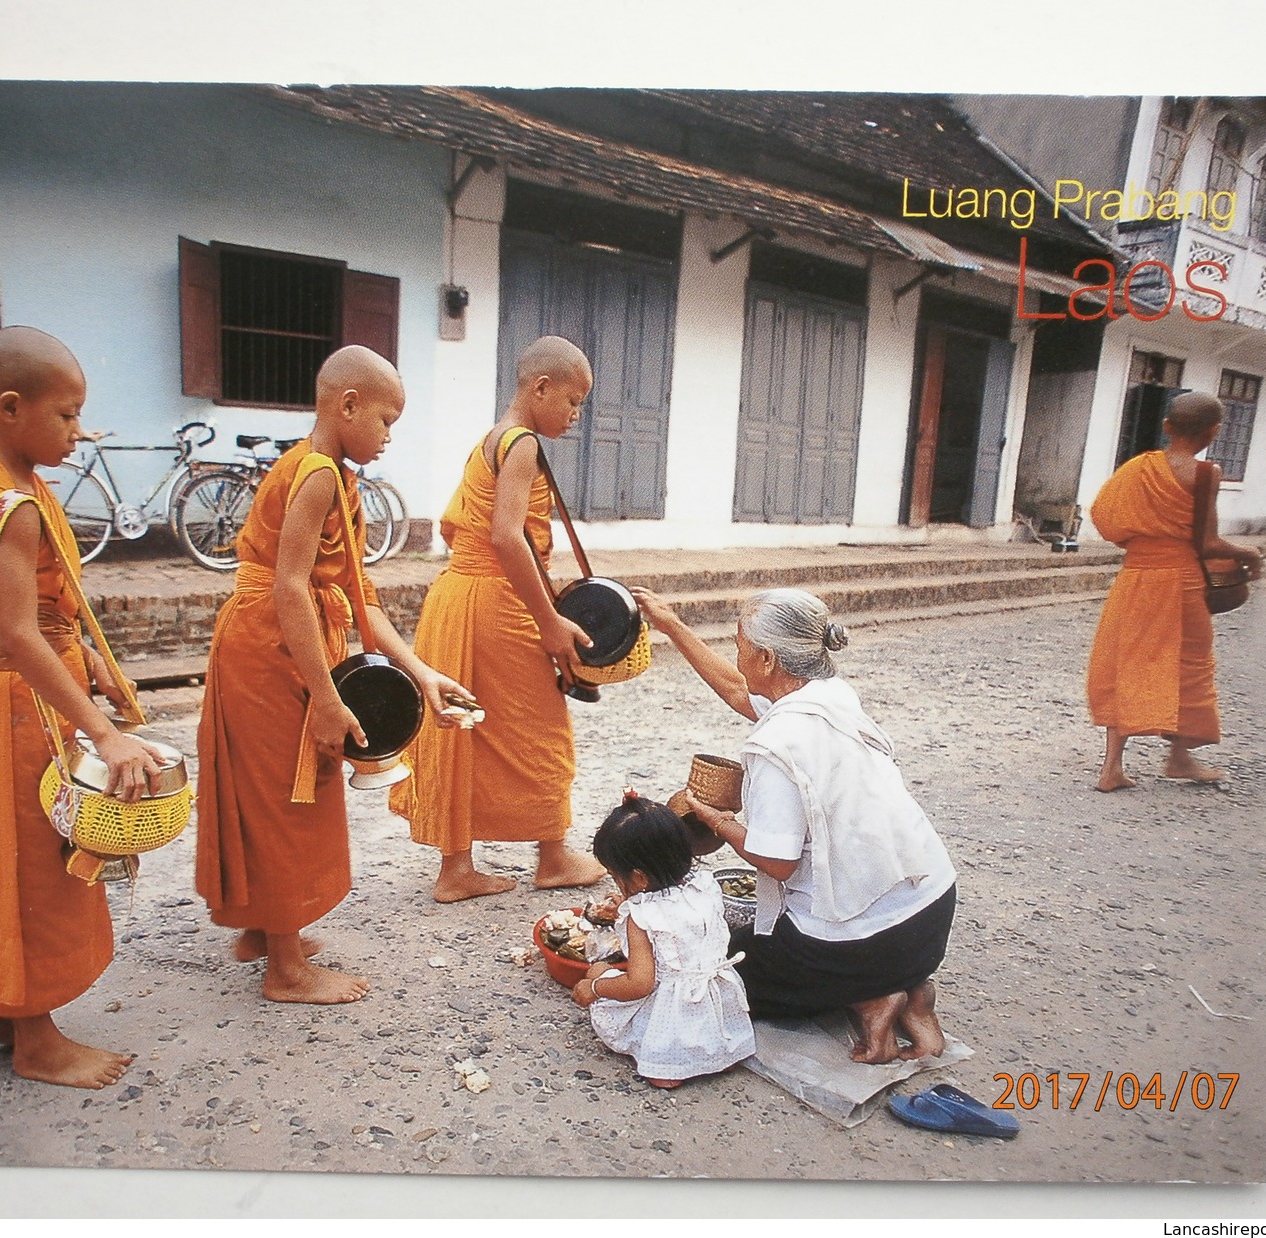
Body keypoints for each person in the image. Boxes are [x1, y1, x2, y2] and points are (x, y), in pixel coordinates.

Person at [0, 325, 164, 1089]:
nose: (78, 432)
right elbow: (19, 634)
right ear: (12, 407)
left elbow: (24, 616)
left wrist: (80, 650)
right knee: (36, 863)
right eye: (66, 416)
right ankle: (38, 1041)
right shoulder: (13, 505)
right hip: (22, 703)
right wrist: (105, 732)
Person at [195, 345, 472, 1004]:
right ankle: (286, 970)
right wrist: (323, 696)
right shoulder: (317, 473)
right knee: (286, 794)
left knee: (268, 789)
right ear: (346, 405)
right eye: (383, 419)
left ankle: (262, 932)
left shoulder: (333, 475)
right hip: (271, 644)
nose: (387, 436)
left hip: (279, 637)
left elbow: (360, 598)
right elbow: (290, 586)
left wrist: (421, 672)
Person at [636, 586, 957, 1065]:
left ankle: (871, 997)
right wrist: (672, 625)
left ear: (766, 659)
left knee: (707, 975)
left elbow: (776, 863)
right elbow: (736, 690)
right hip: (930, 915)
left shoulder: (775, 743)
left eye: (740, 647)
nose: (737, 656)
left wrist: (717, 821)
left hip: (859, 946)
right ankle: (908, 987)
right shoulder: (831, 694)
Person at [388, 335, 606, 902]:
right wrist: (550, 621)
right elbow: (508, 538)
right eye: (573, 400)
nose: (576, 415)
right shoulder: (524, 444)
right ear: (540, 388)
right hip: (496, 601)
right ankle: (552, 857)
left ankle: (455, 868)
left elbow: (458, 529)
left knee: (464, 726)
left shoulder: (490, 440)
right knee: (541, 728)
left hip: (458, 596)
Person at [1086, 391, 1264, 792]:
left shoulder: (1137, 468)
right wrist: (1249, 552)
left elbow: (1105, 517)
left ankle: (1111, 768)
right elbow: (1208, 544)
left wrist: (1146, 541)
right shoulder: (1205, 474)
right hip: (1182, 583)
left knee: (1125, 662)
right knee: (1190, 666)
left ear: (1167, 427)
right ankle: (1179, 757)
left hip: (1135, 580)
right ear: (1214, 432)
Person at [571, 792, 756, 1089]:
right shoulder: (703, 888)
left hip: (674, 1008)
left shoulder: (640, 917)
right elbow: (677, 924)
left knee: (598, 972)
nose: (616, 884)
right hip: (714, 996)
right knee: (719, 1039)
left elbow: (639, 984)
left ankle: (669, 1063)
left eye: (616, 877)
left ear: (640, 879)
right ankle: (721, 1051)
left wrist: (594, 987)